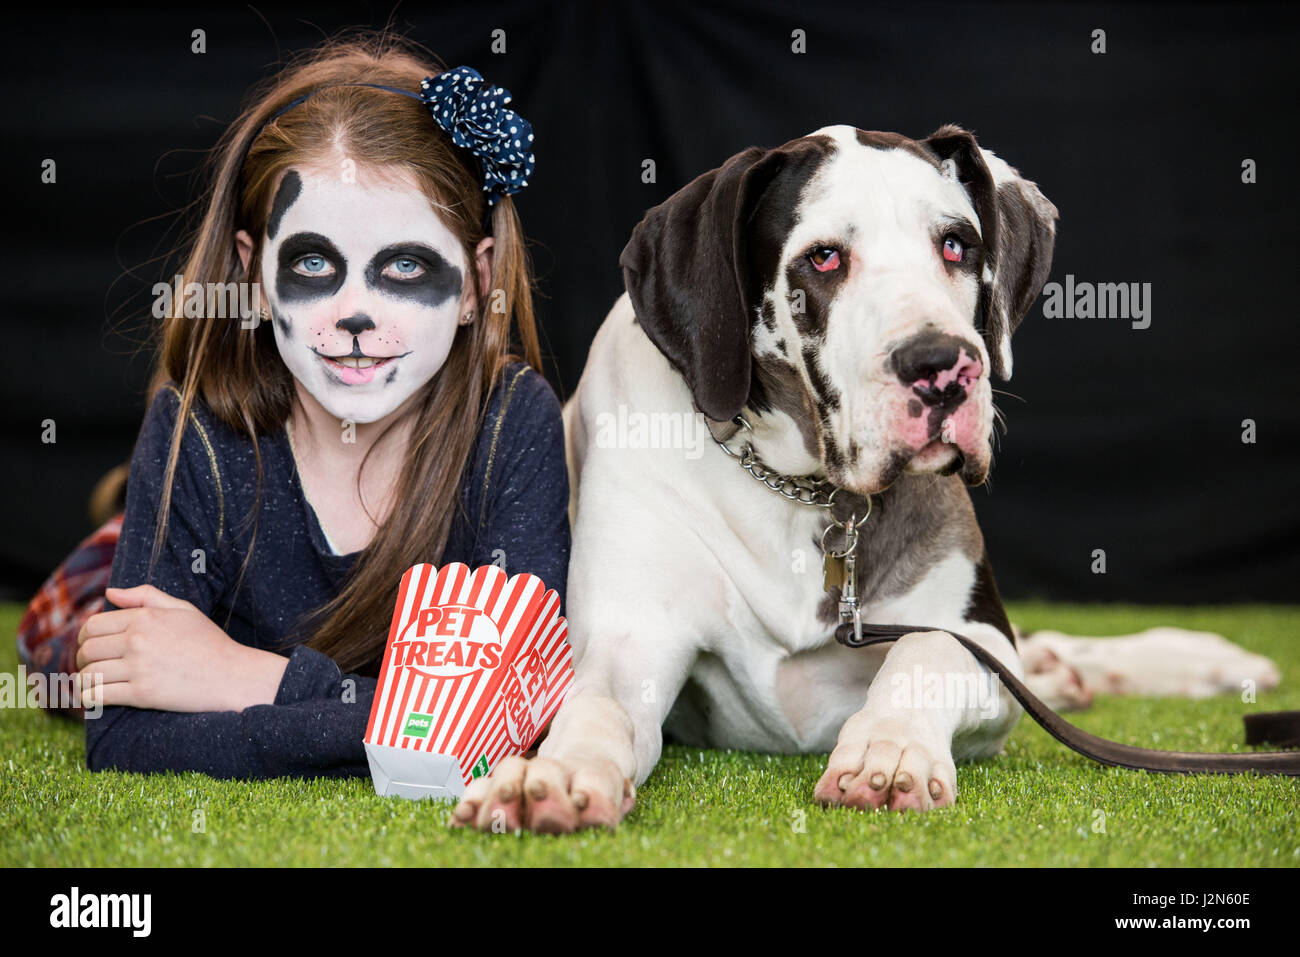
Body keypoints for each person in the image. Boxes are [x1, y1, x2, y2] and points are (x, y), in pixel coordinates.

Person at [15, 32, 570, 780]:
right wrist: (397, 720)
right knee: (69, 642)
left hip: (235, 647)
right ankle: (124, 513)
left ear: (475, 284)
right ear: (252, 275)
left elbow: (510, 728)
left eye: (405, 266)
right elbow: (122, 740)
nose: (354, 316)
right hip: (134, 550)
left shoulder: (515, 423)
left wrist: (244, 677)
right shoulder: (198, 431)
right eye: (312, 263)